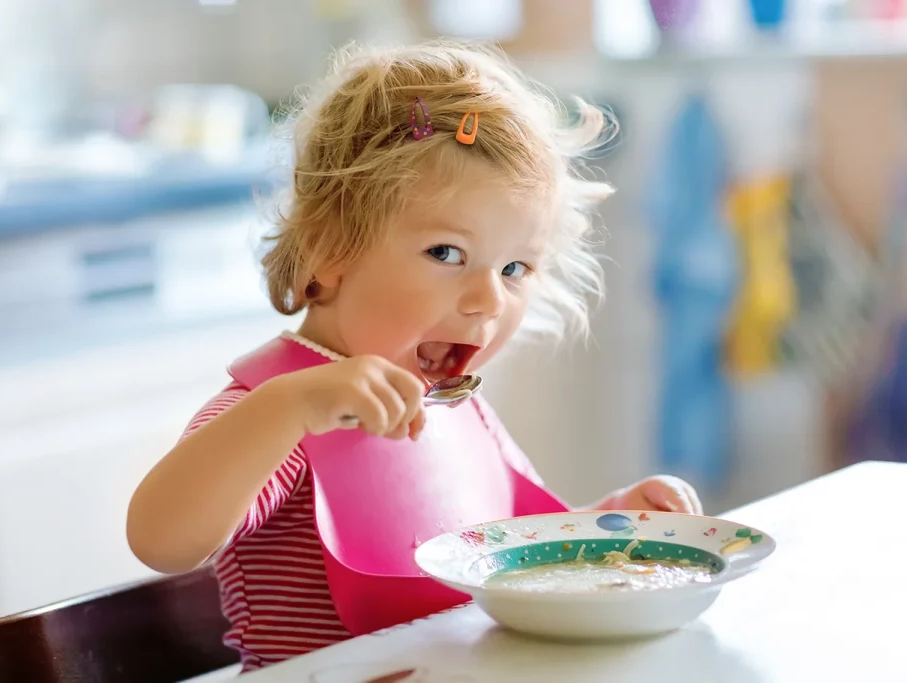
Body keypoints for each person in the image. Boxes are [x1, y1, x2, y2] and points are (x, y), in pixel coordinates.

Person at [127, 41, 702, 673]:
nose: (488, 299)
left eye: (514, 268)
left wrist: (612, 521)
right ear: (328, 250)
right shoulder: (284, 411)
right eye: (447, 253)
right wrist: (287, 408)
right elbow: (162, 540)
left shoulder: (460, 411)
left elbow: (509, 554)